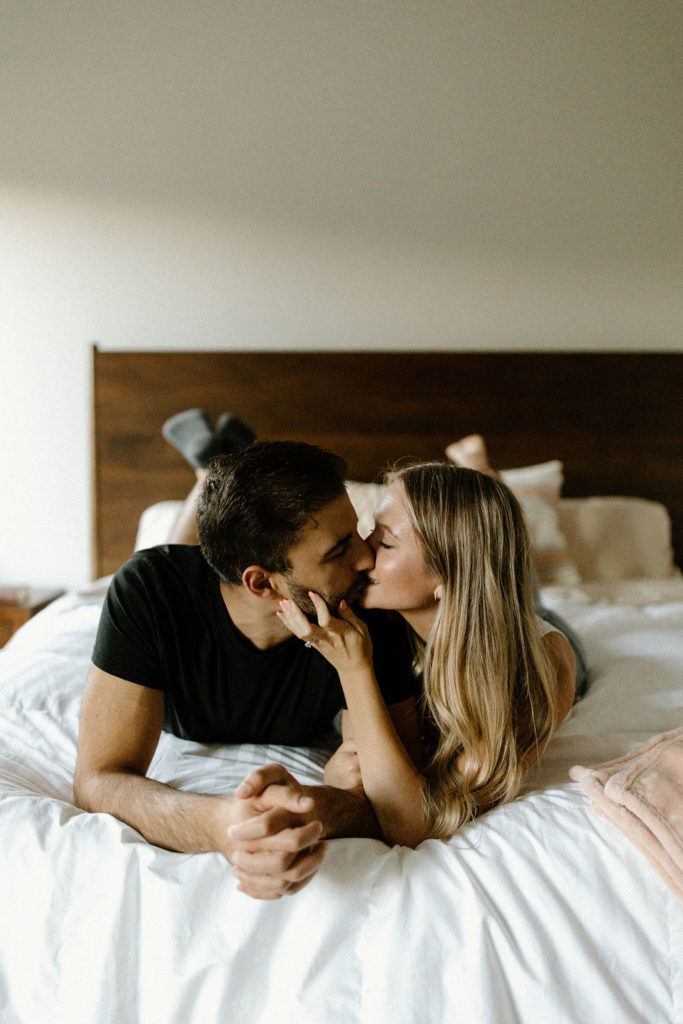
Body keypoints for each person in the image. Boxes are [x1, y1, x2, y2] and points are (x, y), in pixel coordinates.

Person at [73, 434, 421, 901]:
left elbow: (394, 800)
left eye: (356, 533)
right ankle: (207, 469)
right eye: (338, 549)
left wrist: (303, 810)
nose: (366, 558)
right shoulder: (149, 590)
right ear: (262, 583)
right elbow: (98, 779)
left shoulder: (367, 607)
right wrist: (222, 824)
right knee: (167, 553)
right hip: (183, 584)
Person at [277, 454, 583, 848]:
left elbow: (417, 821)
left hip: (537, 638)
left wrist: (354, 670)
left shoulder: (541, 671)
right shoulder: (375, 619)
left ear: (447, 574)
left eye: (385, 543)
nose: (364, 554)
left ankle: (482, 468)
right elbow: (372, 769)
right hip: (473, 606)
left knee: (531, 600)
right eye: (371, 532)